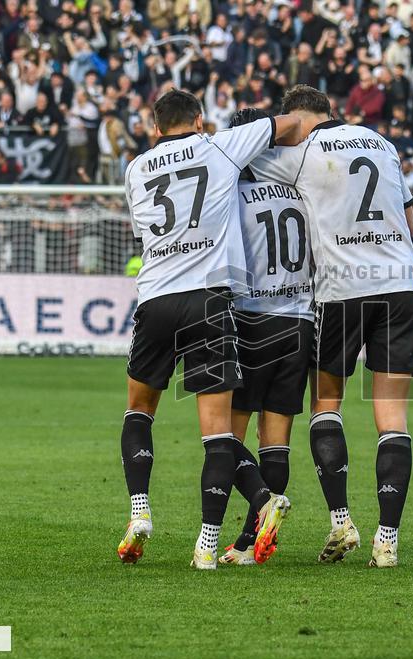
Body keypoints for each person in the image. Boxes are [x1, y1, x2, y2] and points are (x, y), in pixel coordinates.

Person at [117, 88, 301, 570]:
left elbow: (143, 233)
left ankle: (139, 511)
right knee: (217, 433)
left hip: (156, 298)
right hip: (209, 299)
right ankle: (208, 545)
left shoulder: (135, 169)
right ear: (199, 120)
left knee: (139, 409)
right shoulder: (219, 146)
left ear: (155, 127)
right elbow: (286, 124)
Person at [250, 85, 413, 568]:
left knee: (326, 403)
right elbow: (410, 220)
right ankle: (387, 541)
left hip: (342, 289)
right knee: (393, 416)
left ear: (297, 119)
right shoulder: (382, 143)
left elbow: (238, 161)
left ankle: (342, 520)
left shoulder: (301, 152)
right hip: (400, 283)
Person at [217, 108, 314, 566]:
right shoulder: (298, 189)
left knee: (223, 435)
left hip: (252, 318)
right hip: (300, 321)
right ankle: (247, 543)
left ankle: (255, 508)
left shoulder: (232, 190)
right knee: (276, 440)